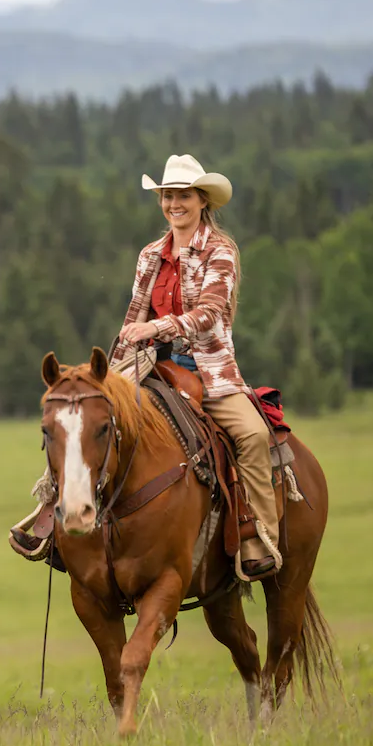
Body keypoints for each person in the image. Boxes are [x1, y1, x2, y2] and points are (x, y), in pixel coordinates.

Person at [110, 153, 281, 582]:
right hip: (150, 364)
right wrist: (119, 357)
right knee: (87, 414)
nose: (174, 204)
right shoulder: (150, 255)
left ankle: (260, 536)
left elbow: (208, 313)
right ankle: (50, 515)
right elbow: (135, 314)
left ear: (202, 200)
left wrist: (157, 325)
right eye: (168, 196)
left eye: (183, 195)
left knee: (254, 436)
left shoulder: (221, 251)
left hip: (208, 370)